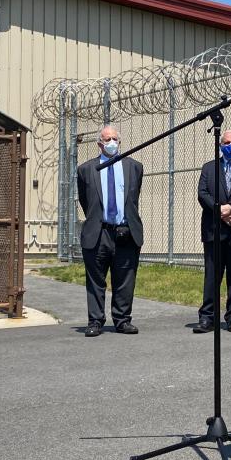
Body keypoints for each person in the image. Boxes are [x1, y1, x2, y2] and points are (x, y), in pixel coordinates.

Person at [76, 125, 144, 337]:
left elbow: (133, 199)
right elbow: (86, 201)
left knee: (125, 278)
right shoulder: (86, 169)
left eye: (115, 138)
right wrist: (101, 219)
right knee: (96, 279)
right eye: (107, 139)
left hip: (125, 230)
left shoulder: (134, 167)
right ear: (99, 143)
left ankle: (122, 320)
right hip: (99, 231)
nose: (111, 142)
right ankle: (95, 320)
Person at [192, 129, 231, 334]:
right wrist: (219, 210)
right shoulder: (210, 168)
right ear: (220, 145)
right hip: (214, 230)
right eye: (226, 142)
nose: (230, 146)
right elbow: (203, 193)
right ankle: (207, 317)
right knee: (212, 275)